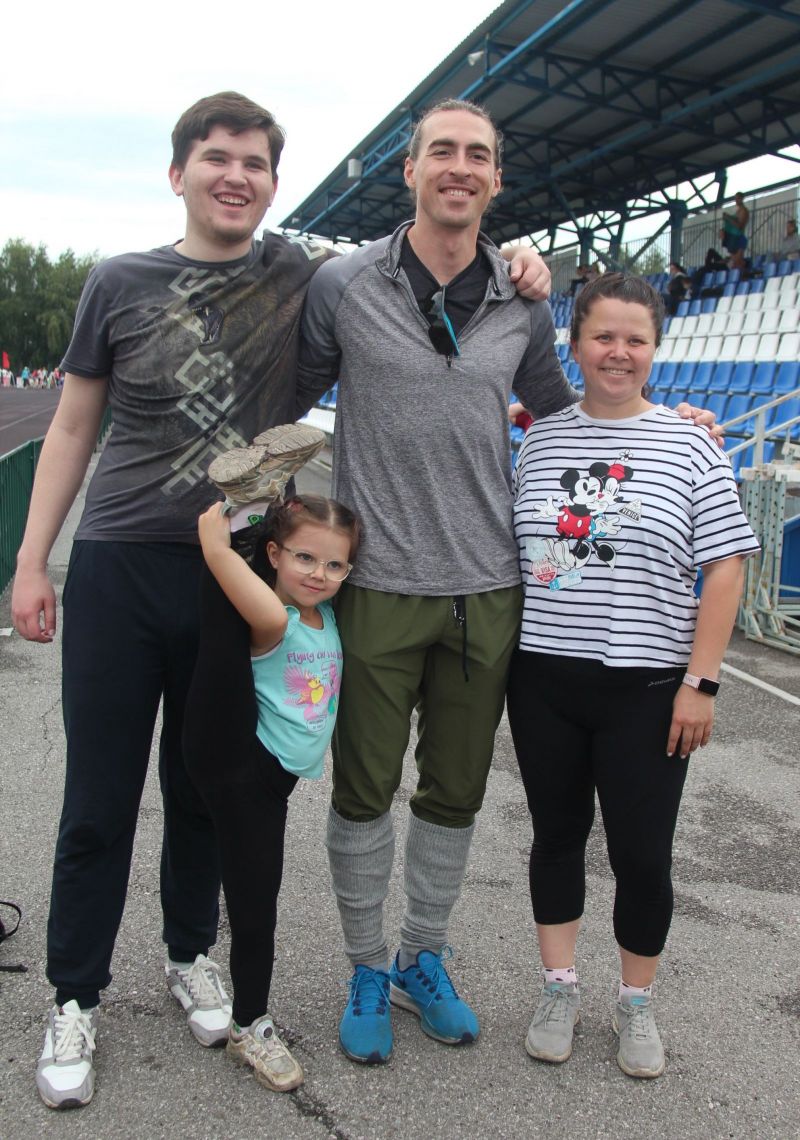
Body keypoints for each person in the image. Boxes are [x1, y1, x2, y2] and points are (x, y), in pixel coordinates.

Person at [10, 90, 552, 1110]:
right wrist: (34, 559)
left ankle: (189, 953)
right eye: (216, 159)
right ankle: (74, 993)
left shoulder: (300, 274)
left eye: (254, 164)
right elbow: (74, 425)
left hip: (235, 571)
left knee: (208, 784)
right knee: (99, 796)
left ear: (271, 183)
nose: (235, 177)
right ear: (178, 172)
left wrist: (523, 262)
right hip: (123, 558)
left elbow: (445, 257)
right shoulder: (121, 280)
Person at [294, 99, 720, 1067]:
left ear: (496, 178)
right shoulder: (344, 284)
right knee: (362, 790)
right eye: (441, 150)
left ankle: (422, 956)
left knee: (453, 794)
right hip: (379, 583)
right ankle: (365, 967)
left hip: (488, 593)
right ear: (409, 169)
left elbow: (577, 418)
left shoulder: (522, 300)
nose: (459, 166)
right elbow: (283, 397)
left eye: (477, 155)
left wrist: (669, 421)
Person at [506, 272, 759, 1080]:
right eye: (603, 336)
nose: (618, 352)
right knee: (555, 838)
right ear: (575, 344)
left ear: (655, 348)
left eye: (635, 339)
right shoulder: (540, 439)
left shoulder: (691, 443)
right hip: (543, 677)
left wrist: (701, 682)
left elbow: (726, 567)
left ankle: (636, 1001)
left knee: (643, 854)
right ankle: (558, 988)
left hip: (647, 687)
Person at [183, 473, 361, 1094]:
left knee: (253, 893)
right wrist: (218, 540)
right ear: (275, 555)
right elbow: (238, 576)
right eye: (305, 558)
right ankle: (249, 1026)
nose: (319, 573)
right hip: (247, 773)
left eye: (335, 564)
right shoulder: (275, 617)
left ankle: (238, 1009)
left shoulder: (325, 614)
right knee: (256, 907)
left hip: (273, 780)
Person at [720, 192, 749, 270]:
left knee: (737, 261)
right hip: (733, 238)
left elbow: (739, 226)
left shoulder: (744, 211)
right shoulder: (738, 211)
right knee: (734, 262)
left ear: (741, 199)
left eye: (737, 198)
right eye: (735, 199)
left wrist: (728, 218)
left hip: (738, 238)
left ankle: (741, 274)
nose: (736, 200)